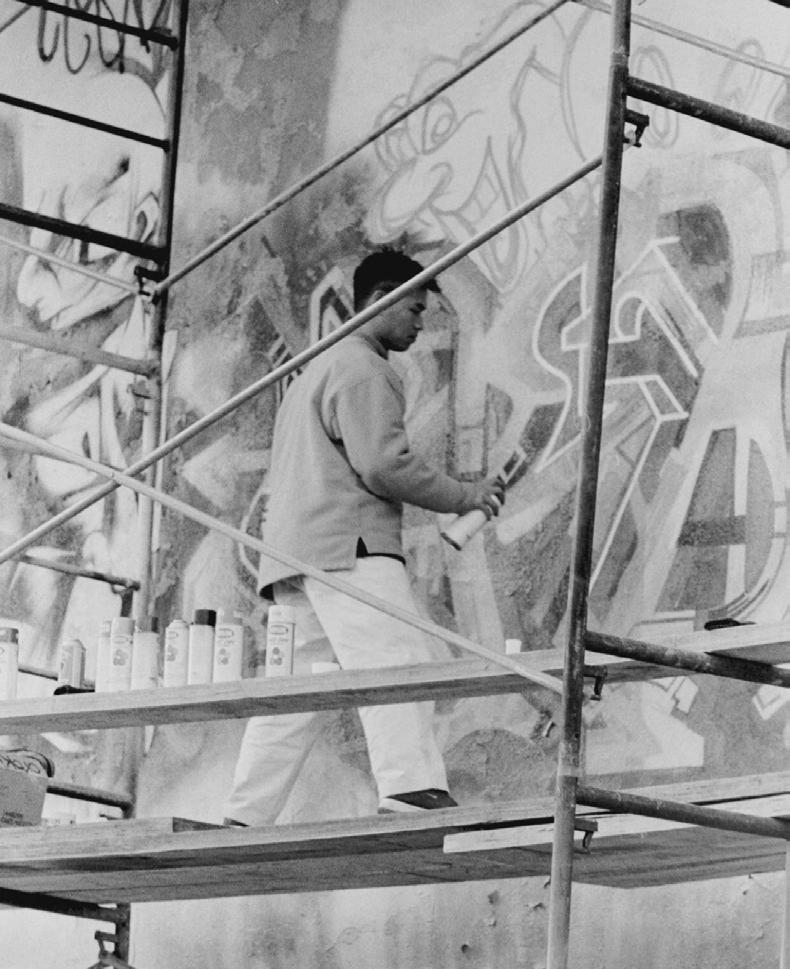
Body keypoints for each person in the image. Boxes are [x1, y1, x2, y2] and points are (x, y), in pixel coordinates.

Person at [224, 248, 504, 825]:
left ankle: (246, 813)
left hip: (294, 558)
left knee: (292, 696)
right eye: (415, 309)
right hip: (349, 548)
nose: (420, 325)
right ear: (379, 300)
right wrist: (465, 496)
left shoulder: (314, 373)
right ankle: (410, 788)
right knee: (397, 662)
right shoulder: (365, 368)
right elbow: (382, 465)